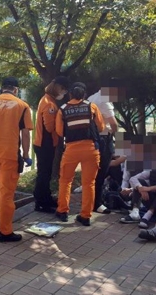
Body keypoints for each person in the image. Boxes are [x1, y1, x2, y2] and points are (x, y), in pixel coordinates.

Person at [0, 77, 33, 242]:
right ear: (16, 90)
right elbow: (25, 133)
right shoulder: (23, 106)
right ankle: (4, 231)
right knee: (6, 193)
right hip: (9, 154)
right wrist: (26, 155)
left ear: (2, 88)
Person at [54, 82, 104, 226]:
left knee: (65, 180)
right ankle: (85, 216)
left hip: (71, 149)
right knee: (89, 183)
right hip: (91, 149)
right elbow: (100, 127)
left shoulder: (62, 109)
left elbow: (59, 131)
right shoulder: (91, 107)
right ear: (84, 95)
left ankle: (63, 211)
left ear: (70, 94)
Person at [32, 76, 70, 213]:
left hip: (44, 143)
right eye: (63, 90)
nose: (64, 93)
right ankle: (41, 202)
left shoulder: (48, 100)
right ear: (58, 88)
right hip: (44, 144)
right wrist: (61, 123)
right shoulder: (49, 104)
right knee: (44, 173)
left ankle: (45, 198)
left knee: (45, 173)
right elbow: (49, 127)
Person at [87, 81, 120, 214]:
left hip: (93, 138)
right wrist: (113, 134)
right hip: (104, 138)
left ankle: (91, 201)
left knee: (93, 171)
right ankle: (97, 203)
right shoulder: (105, 102)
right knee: (101, 171)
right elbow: (114, 124)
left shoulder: (92, 97)